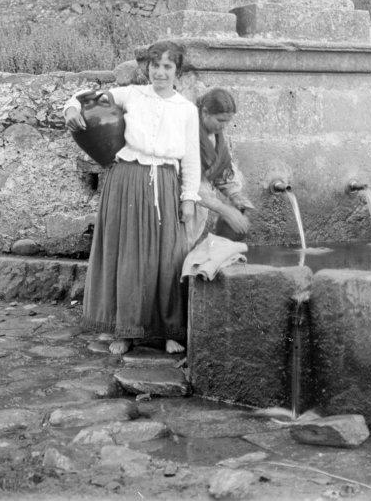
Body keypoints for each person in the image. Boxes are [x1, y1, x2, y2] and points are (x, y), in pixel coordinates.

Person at [65, 40, 200, 356]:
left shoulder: (187, 110)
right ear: (147, 68)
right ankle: (124, 329)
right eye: (155, 65)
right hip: (126, 178)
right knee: (126, 254)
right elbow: (84, 98)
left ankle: (167, 330)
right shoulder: (132, 94)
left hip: (165, 181)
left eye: (167, 66)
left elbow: (191, 157)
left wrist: (188, 198)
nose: (160, 72)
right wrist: (71, 107)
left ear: (177, 71)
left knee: (167, 256)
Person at [185, 88, 254, 247]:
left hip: (200, 208)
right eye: (220, 120)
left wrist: (235, 195)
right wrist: (224, 210)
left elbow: (221, 170)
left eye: (227, 121)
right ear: (205, 112)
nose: (224, 126)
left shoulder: (217, 136)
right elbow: (189, 179)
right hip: (182, 205)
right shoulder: (189, 131)